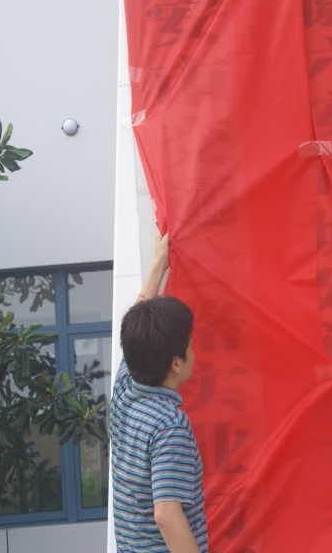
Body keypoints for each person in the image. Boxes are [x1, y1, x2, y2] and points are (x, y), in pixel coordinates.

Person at [111, 233, 208, 553]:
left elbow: (136, 330)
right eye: (190, 345)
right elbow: (166, 515)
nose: (194, 351)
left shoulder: (125, 387)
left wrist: (159, 263)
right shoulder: (169, 426)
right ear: (176, 363)